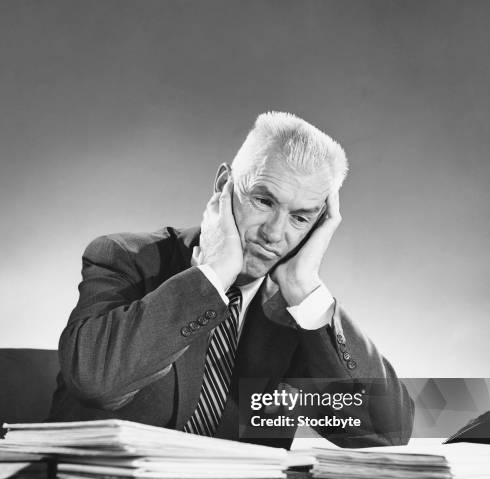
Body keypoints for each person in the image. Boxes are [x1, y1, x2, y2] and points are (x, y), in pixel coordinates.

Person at [49, 111, 414, 448]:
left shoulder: (294, 314)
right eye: (263, 201)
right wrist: (213, 277)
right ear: (225, 185)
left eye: (300, 219)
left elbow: (388, 433)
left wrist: (306, 290)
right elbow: (98, 380)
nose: (274, 233)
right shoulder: (125, 259)